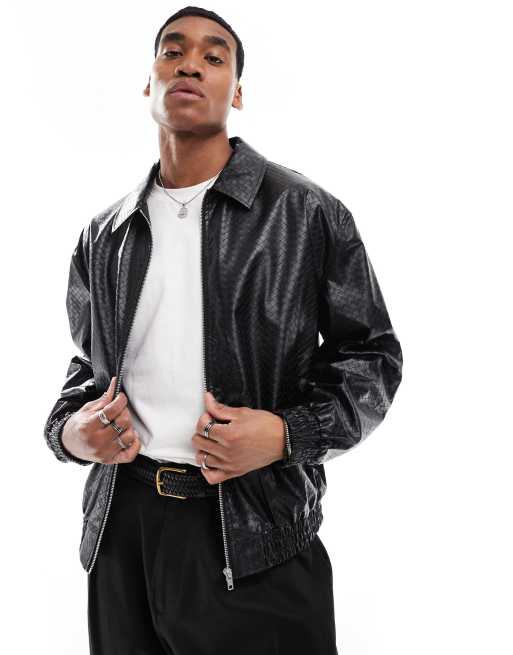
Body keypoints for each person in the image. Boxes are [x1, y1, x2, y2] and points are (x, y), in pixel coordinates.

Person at [43, 6, 403, 654]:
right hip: (122, 533)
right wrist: (70, 432)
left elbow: (372, 355)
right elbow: (86, 365)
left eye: (214, 57)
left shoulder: (304, 212)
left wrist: (288, 434)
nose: (190, 64)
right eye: (172, 51)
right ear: (149, 81)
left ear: (235, 92)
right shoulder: (105, 233)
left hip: (255, 535)